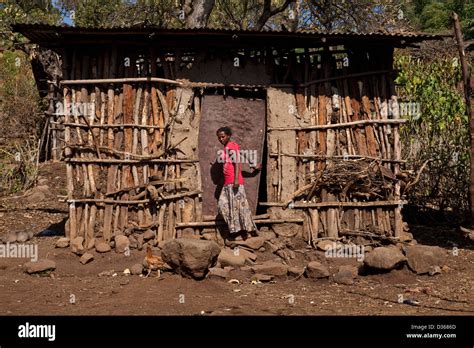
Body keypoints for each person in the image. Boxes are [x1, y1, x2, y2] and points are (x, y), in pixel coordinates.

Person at [216, 126, 260, 240]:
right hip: (229, 182)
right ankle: (246, 229)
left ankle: (240, 230)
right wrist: (253, 164)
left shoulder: (230, 147)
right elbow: (243, 154)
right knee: (236, 206)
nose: (221, 139)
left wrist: (236, 179)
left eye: (223, 137)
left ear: (229, 136)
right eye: (219, 138)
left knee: (229, 206)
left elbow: (237, 162)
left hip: (233, 182)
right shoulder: (232, 146)